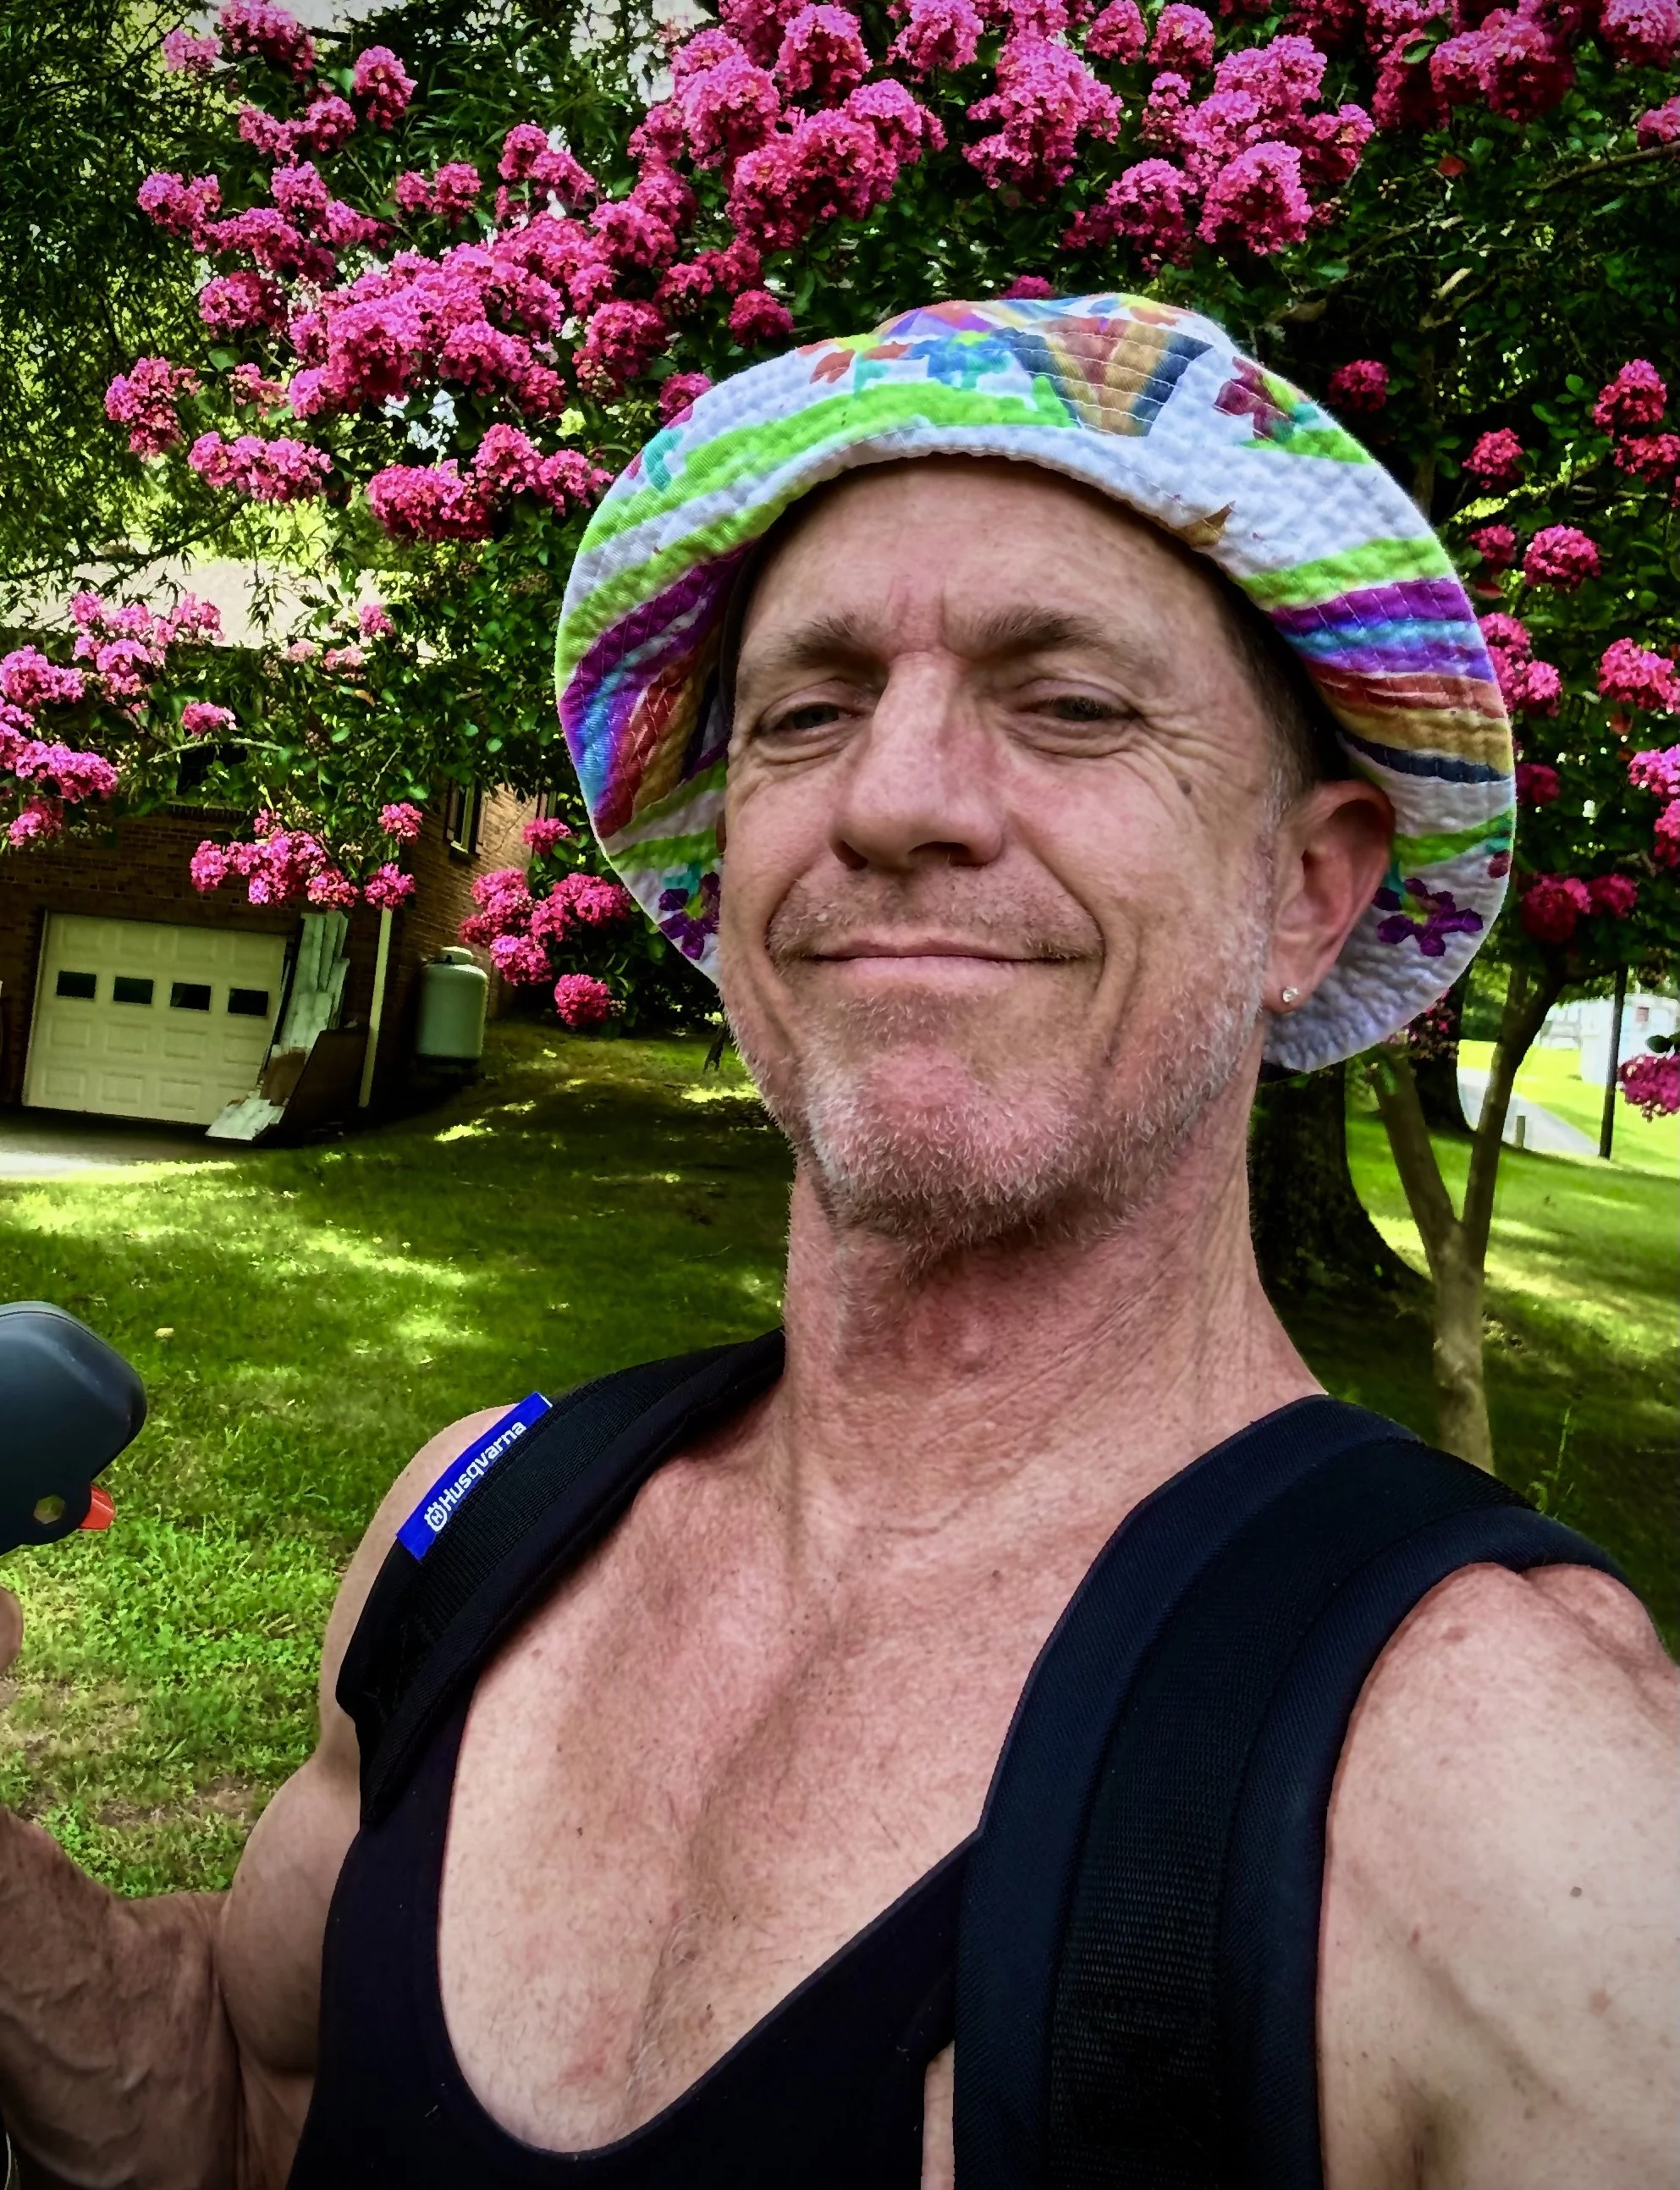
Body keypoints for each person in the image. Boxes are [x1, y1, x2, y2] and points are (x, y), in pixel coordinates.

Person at [0, 295, 1672, 2190]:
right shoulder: (469, 1529)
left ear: (1303, 887)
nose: (892, 800)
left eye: (1069, 702)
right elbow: (255, 2115)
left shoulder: (1524, 1806)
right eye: (805, 713)